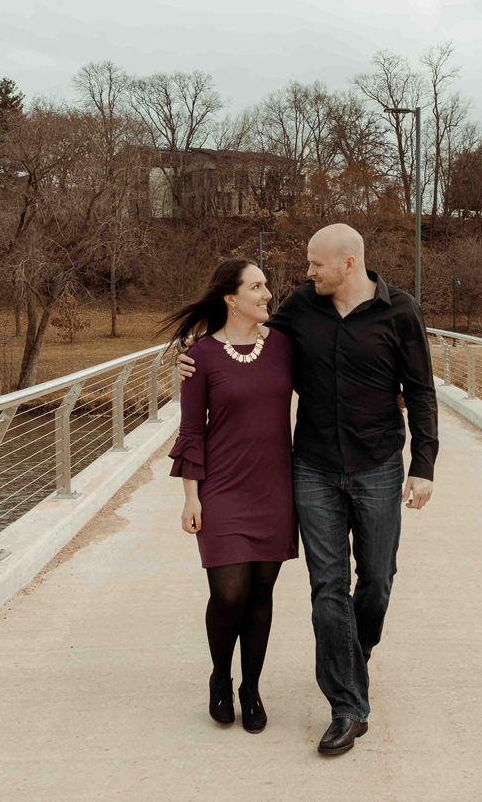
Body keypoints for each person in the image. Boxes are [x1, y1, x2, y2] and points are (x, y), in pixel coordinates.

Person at [179, 224, 438, 757]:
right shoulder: (301, 307)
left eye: (315, 264)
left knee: (378, 582)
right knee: (327, 588)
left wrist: (424, 465)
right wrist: (191, 350)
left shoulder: (401, 312)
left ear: (348, 263)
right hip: (314, 467)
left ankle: (351, 654)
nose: (306, 273)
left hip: (379, 465)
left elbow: (421, 391)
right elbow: (241, 333)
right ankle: (346, 707)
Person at [160, 258, 297, 734]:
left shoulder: (283, 345)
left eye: (266, 285)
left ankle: (251, 689)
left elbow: (330, 382)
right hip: (221, 489)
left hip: (275, 488)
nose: (267, 293)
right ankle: (221, 676)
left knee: (262, 591)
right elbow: (191, 431)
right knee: (229, 592)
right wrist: (190, 497)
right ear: (230, 298)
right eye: (257, 286)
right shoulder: (200, 357)